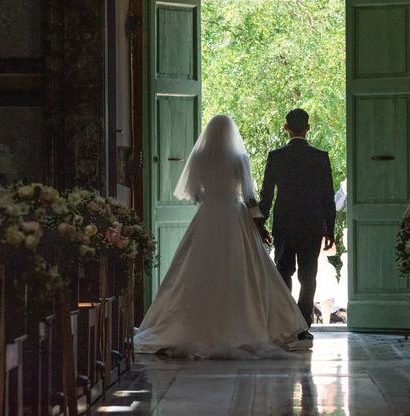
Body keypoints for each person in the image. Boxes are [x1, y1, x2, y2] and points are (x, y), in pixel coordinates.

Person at [133, 115, 311, 358]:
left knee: (196, 271)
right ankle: (249, 323)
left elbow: (194, 193)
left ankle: (193, 325)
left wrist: (211, 201)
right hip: (234, 216)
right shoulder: (239, 159)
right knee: (244, 270)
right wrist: (259, 224)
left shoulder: (198, 157)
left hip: (208, 216)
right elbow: (249, 196)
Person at [257, 108, 336, 338]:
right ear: (308, 128)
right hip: (312, 224)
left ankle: (285, 322)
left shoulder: (276, 157)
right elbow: (327, 196)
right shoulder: (320, 157)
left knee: (284, 271)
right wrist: (329, 228)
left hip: (284, 224)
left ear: (286, 128)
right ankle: (303, 325)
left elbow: (267, 196)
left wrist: (259, 222)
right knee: (308, 275)